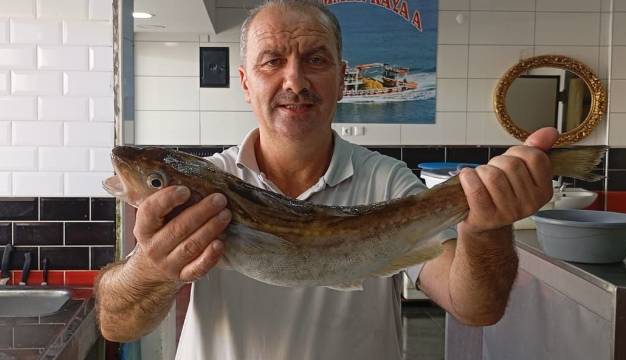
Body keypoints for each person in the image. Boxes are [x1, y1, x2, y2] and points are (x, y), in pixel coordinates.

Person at [95, 1, 558, 359]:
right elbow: (117, 325)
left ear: (341, 79)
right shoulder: (209, 183)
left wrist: (486, 227)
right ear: (245, 83)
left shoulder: (389, 183)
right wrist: (149, 270)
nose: (294, 81)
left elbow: (477, 307)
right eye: (271, 62)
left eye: (315, 60)